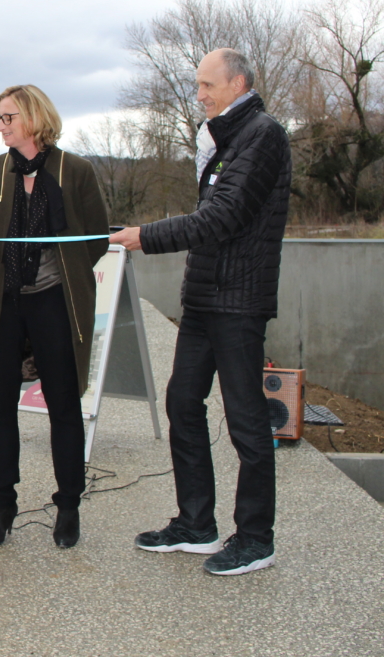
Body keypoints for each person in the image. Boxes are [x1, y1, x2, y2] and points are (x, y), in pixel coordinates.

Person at [112, 48, 291, 576]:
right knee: (183, 403)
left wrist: (145, 236)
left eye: (207, 84)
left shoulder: (263, 136)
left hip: (239, 303)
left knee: (246, 422)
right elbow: (211, 215)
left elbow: (223, 216)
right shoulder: (224, 141)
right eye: (198, 85)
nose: (199, 94)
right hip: (205, 298)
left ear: (237, 82)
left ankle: (257, 538)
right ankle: (197, 524)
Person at [0, 85, 109, 550]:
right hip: (1, 303)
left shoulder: (75, 171)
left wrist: (65, 272)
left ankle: (68, 507)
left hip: (54, 301)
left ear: (35, 117)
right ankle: (2, 506)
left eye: (8, 117)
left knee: (63, 405)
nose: (0, 125)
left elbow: (98, 236)